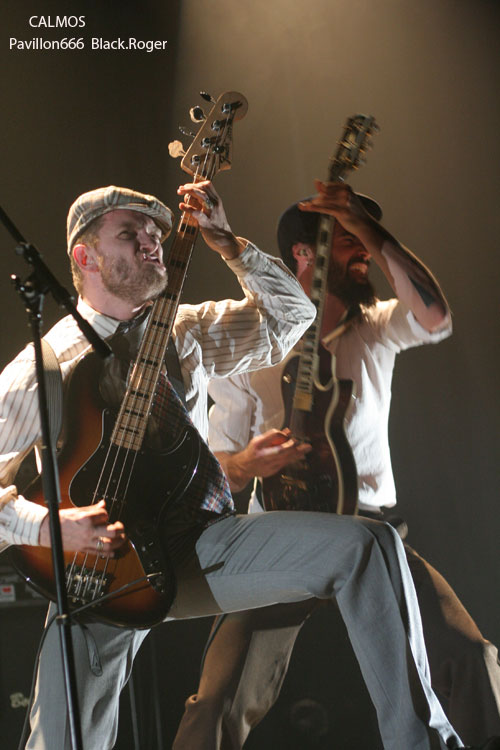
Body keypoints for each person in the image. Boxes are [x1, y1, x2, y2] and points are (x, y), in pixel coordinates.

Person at [0, 180, 478, 750]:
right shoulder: (45, 367)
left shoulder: (185, 329)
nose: (152, 242)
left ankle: (424, 743)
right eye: (129, 234)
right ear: (85, 257)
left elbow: (292, 319)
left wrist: (231, 245)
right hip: (101, 568)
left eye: (155, 233)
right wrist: (53, 528)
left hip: (203, 543)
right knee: (64, 738)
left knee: (369, 544)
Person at [172, 180, 500, 750]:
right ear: (307, 253)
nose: (364, 250)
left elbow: (435, 316)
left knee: (470, 657)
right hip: (281, 535)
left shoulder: (376, 326)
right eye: (349, 238)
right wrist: (249, 461)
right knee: (216, 698)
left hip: (374, 528)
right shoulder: (248, 345)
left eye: (363, 238)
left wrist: (365, 224)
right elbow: (220, 468)